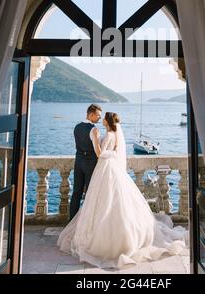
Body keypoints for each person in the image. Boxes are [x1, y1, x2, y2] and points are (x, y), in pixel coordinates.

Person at [58, 111, 188, 269]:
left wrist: (95, 140)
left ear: (108, 121)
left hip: (104, 167)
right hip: (112, 167)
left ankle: (107, 236)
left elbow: (100, 154)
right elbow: (112, 151)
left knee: (102, 199)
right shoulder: (114, 133)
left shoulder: (106, 134)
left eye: (103, 118)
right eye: (99, 116)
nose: (101, 119)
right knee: (114, 199)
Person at [69, 104, 102, 220]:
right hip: (90, 164)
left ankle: (71, 220)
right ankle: (87, 222)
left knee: (76, 192)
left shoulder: (77, 127)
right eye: (98, 115)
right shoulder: (94, 129)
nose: (100, 118)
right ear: (91, 115)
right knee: (89, 193)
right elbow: (98, 152)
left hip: (78, 162)